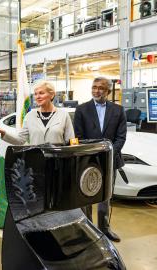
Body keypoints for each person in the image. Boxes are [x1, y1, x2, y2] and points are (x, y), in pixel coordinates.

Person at [73, 76, 127, 242]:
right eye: (94, 87)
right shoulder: (82, 109)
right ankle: (86, 230)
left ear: (108, 91)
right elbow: (79, 137)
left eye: (101, 88)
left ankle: (104, 229)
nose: (96, 90)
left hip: (110, 160)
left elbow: (121, 137)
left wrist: (108, 154)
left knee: (105, 196)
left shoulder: (118, 110)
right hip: (87, 161)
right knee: (86, 197)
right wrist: (94, 155)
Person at [0, 80, 75, 146]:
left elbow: (71, 141)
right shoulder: (30, 116)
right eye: (35, 94)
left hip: (58, 163)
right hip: (36, 162)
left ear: (52, 95)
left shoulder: (63, 115)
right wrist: (3, 133)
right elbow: (20, 140)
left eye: (41, 93)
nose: (37, 97)